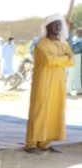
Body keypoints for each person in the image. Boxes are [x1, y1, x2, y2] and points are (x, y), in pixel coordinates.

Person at [25, 14, 75, 154]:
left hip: (58, 83)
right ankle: (31, 143)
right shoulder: (41, 44)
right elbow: (48, 60)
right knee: (40, 110)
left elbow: (72, 61)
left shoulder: (63, 44)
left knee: (54, 110)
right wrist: (64, 58)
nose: (57, 26)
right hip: (44, 82)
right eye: (54, 24)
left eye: (59, 24)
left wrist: (60, 59)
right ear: (47, 26)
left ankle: (45, 144)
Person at [66, 28, 82, 95]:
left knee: (77, 73)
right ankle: (68, 90)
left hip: (78, 56)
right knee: (70, 73)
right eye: (78, 32)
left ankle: (78, 89)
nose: (79, 33)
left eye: (80, 32)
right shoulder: (73, 39)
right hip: (73, 56)